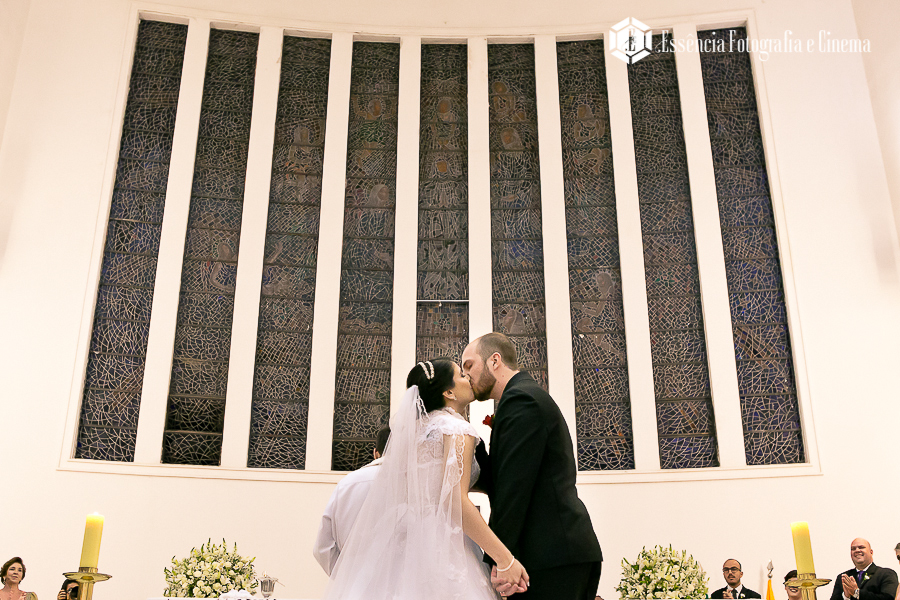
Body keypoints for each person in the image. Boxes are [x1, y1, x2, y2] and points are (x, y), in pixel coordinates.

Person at [322, 358, 529, 599]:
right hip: (445, 547)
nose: (468, 379)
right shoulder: (456, 429)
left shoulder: (414, 434)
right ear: (449, 392)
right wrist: (505, 559)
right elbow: (455, 502)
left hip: (406, 545)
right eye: (461, 375)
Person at [461, 332, 602, 599]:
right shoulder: (519, 398)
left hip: (553, 554)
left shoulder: (522, 400)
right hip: (556, 553)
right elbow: (502, 479)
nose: (466, 375)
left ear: (494, 361)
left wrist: (501, 559)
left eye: (469, 365)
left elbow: (514, 489)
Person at [313, 427, 391, 575]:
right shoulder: (414, 486)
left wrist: (345, 577)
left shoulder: (347, 483)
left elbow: (322, 547)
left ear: (375, 453)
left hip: (352, 582)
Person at [829, 538, 898, 600]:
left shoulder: (886, 574)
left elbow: (888, 598)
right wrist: (846, 597)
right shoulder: (843, 577)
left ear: (871, 552)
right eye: (853, 549)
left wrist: (857, 593)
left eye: (861, 547)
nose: (857, 550)